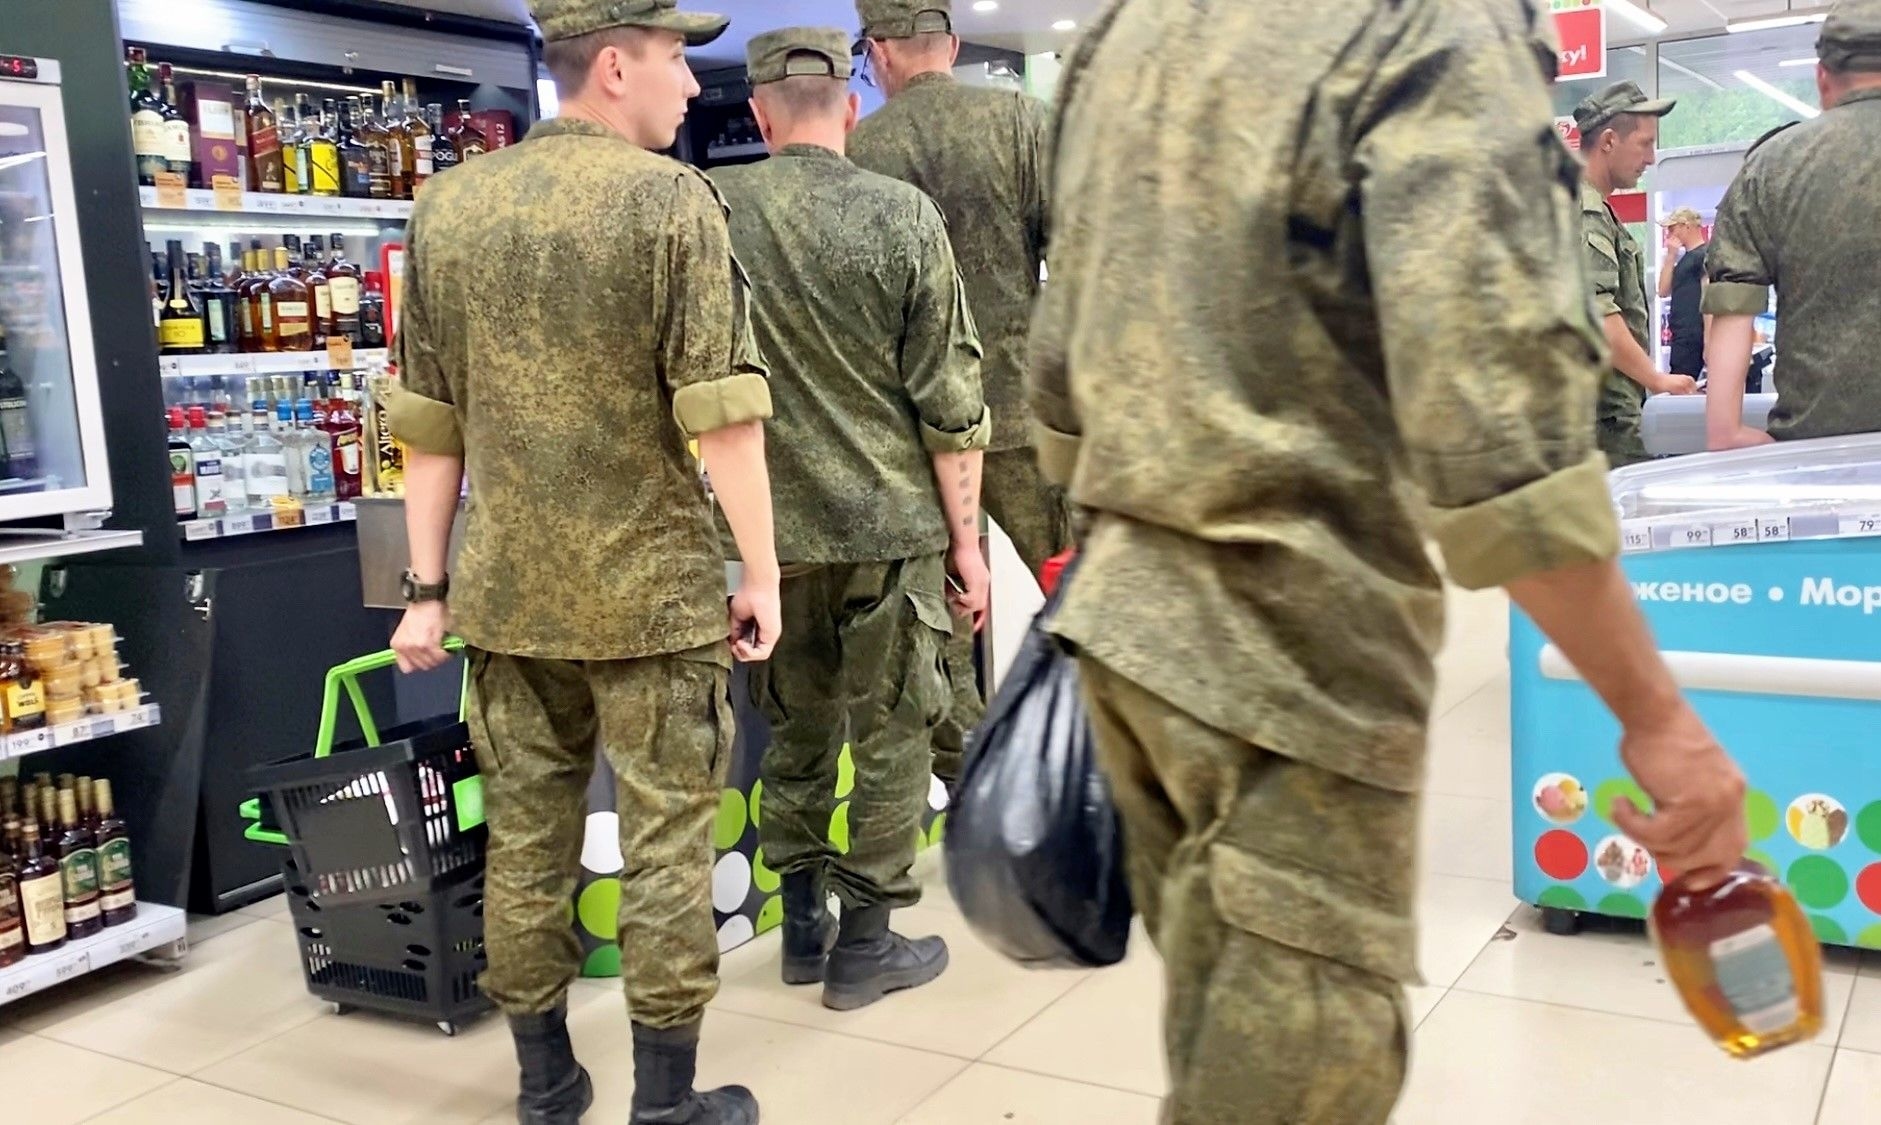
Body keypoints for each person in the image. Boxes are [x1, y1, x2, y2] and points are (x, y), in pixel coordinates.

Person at [1028, 4, 1750, 1123]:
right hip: (1291, 661)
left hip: (1126, 635)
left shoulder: (1129, 28)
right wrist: (1660, 721)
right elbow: (1500, 448)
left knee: (1217, 1029)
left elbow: (1059, 390)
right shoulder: (1431, 28)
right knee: (1302, 1081)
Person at [387, 2, 780, 1122]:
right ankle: (666, 1101)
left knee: (523, 843)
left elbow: (429, 427)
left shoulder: (447, 207)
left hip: (508, 599)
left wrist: (426, 589)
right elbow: (725, 420)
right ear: (615, 66)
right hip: (651, 597)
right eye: (675, 59)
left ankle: (545, 1084)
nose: (691, 85)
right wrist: (760, 574)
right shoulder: (670, 202)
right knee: (667, 846)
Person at [708, 26, 991, 1009]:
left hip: (767, 541)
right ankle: (865, 949)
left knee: (793, 730)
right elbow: (950, 403)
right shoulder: (902, 215)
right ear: (853, 106)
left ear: (758, 115)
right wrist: (968, 547)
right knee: (893, 735)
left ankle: (800, 927)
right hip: (891, 530)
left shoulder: (713, 209)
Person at [848, 0, 1065, 786]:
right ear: (952, 42)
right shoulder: (1022, 123)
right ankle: (1108, 774)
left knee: (935, 622)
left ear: (879, 53)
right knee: (1084, 592)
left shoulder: (860, 150)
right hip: (1024, 412)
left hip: (913, 434)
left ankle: (979, 784)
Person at [1705, 0, 1881, 450]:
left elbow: (1733, 307)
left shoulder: (1771, 167)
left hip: (1819, 454)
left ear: (1822, 77)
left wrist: (1728, 431)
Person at [1574, 80, 1699, 468]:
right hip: (1599, 421)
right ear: (1609, 141)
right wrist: (1656, 379)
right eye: (1644, 144)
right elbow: (1597, 313)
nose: (1651, 158)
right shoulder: (1584, 209)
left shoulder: (1591, 206)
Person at [1657, 206, 1710, 381]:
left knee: (1681, 383)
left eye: (1672, 228)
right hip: (1682, 334)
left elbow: (1708, 299)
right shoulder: (1686, 259)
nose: (1669, 234)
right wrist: (1670, 255)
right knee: (1680, 381)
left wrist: (1708, 340)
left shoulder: (1703, 255)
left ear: (1686, 226)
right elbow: (1663, 290)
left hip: (1693, 334)